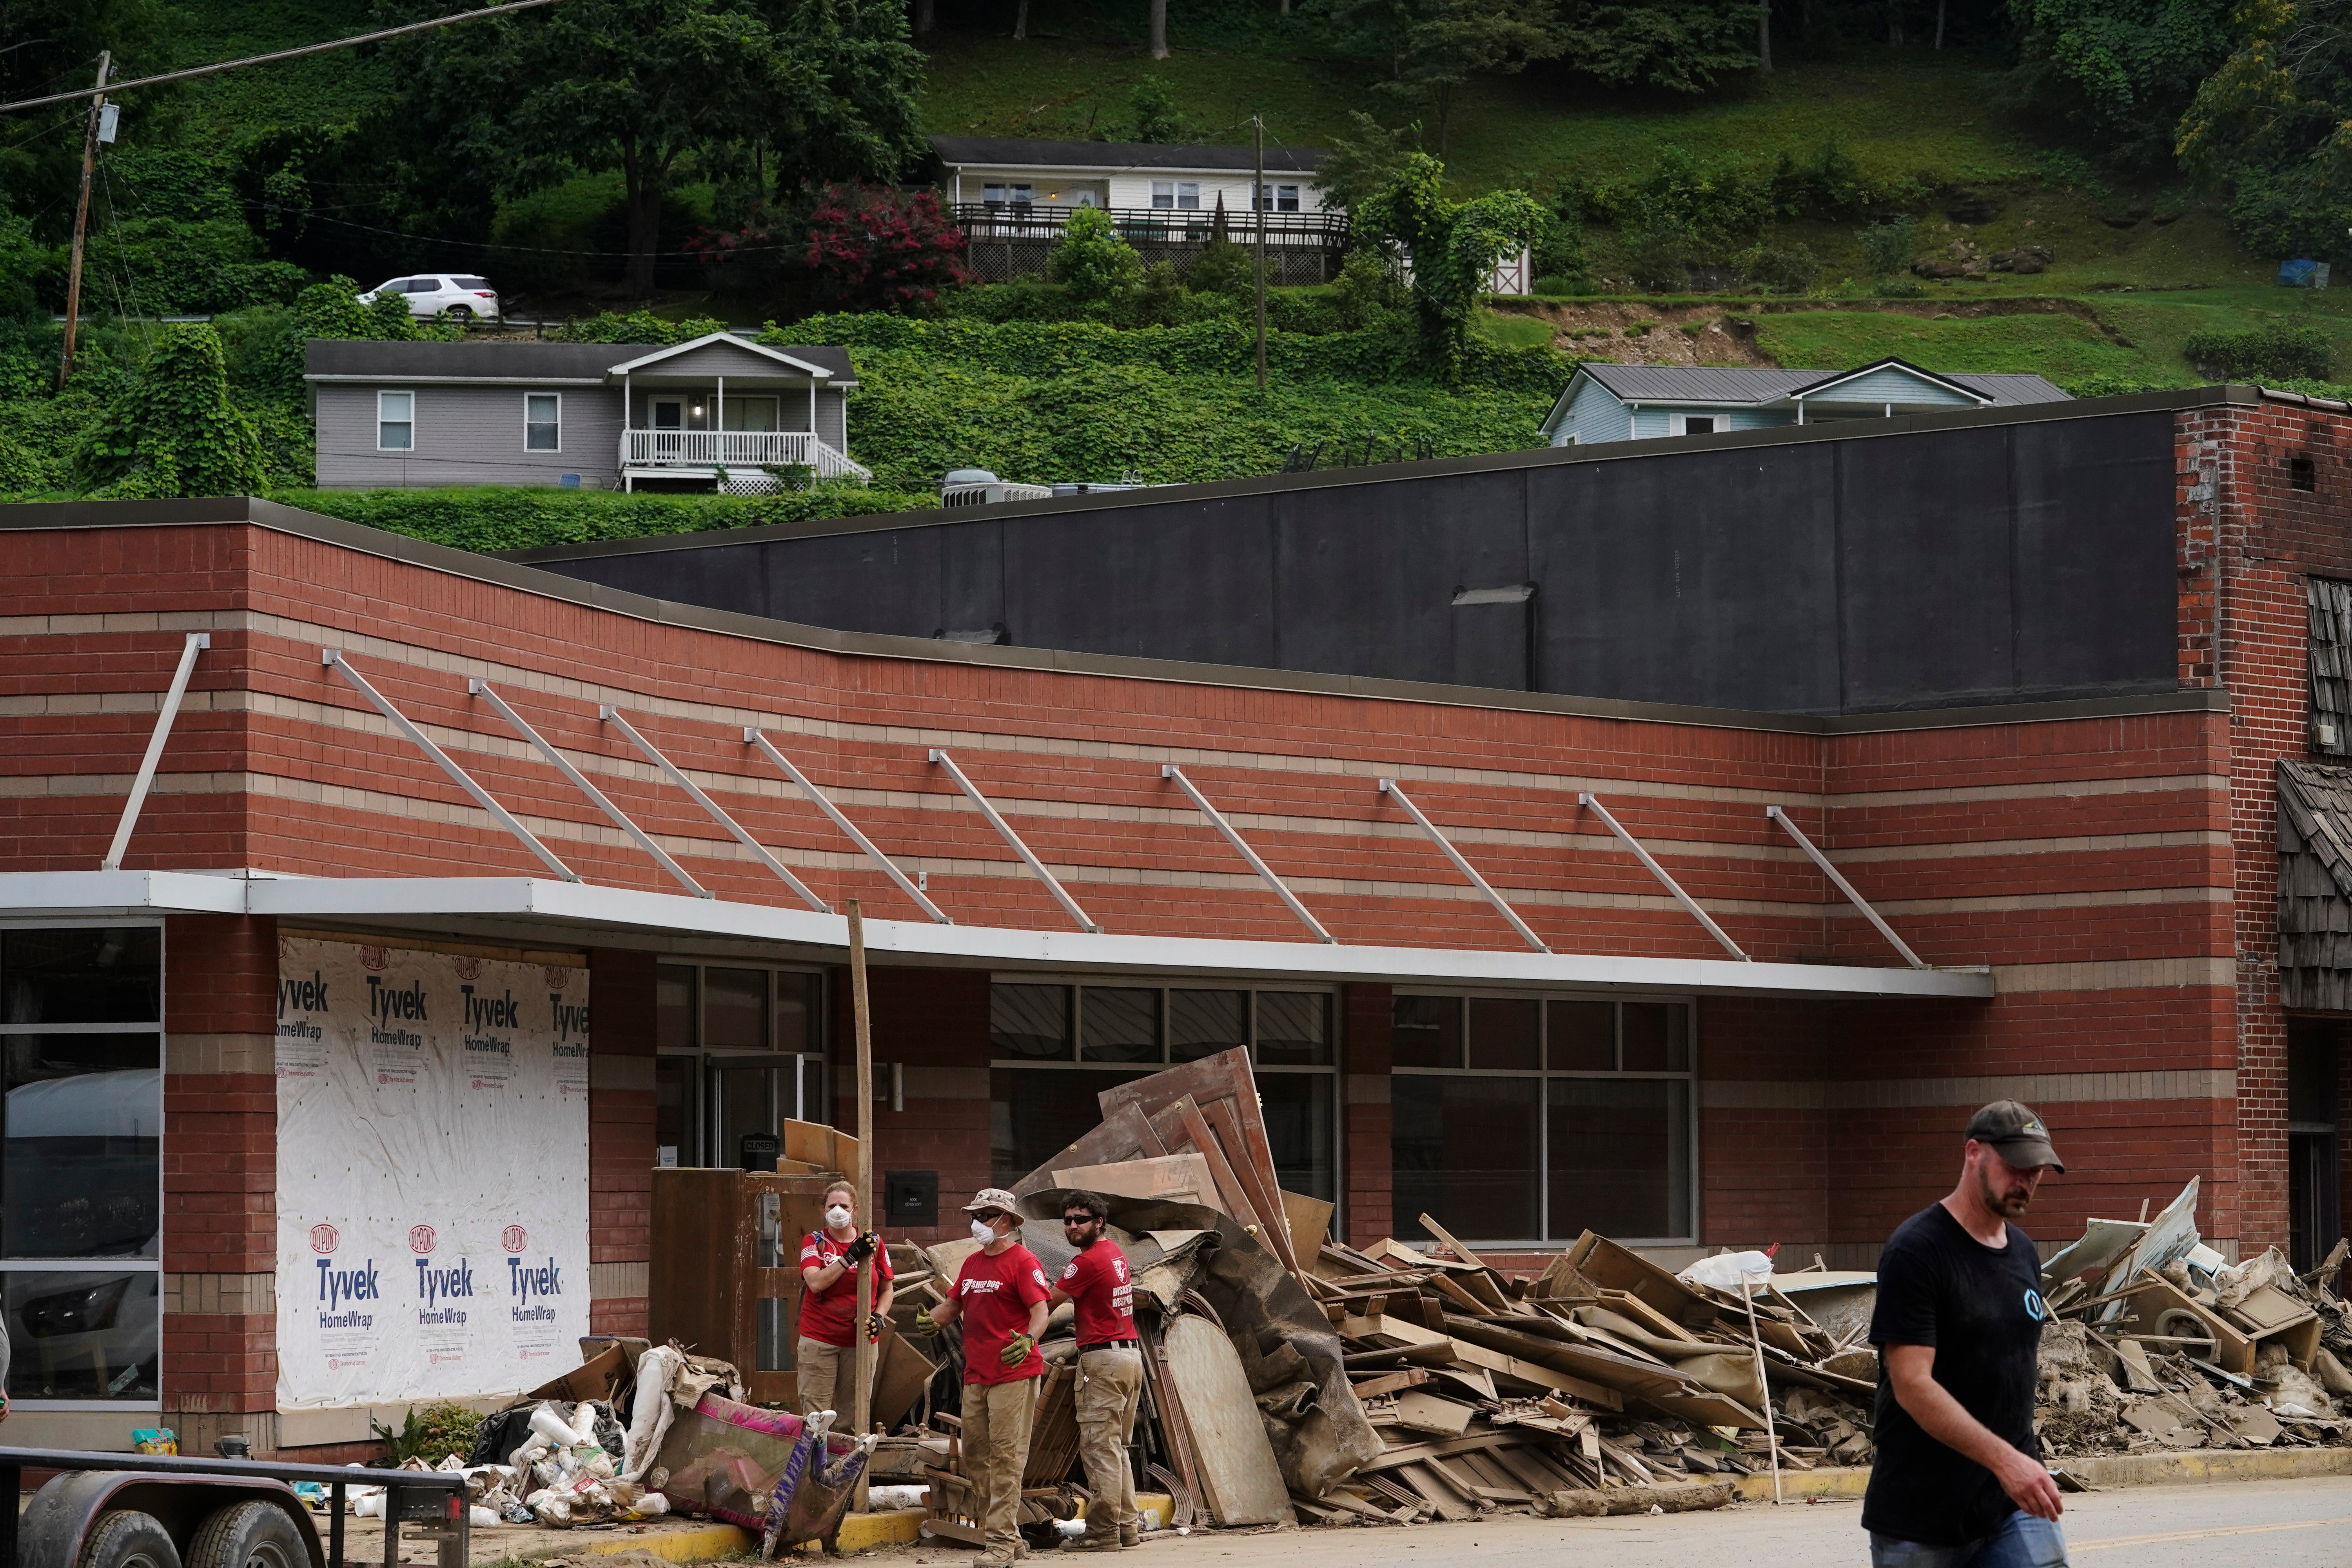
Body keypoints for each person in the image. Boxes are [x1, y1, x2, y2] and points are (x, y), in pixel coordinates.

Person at [1864, 1100, 2069, 1568]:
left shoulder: (2024, 1252)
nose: (2026, 1181)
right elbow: (1912, 1384)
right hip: (1921, 1512)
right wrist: (2004, 1461)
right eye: (2015, 1166)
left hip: (2011, 1501)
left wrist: (2015, 1463)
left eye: (2036, 1170)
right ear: (1974, 1152)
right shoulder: (1917, 1251)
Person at [922, 1188, 1051, 1568]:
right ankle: (1010, 1537)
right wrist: (931, 1320)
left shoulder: (1024, 1261)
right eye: (975, 1216)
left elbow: (1041, 1311)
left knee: (1006, 1456)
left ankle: (999, 1543)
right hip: (977, 1374)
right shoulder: (973, 1263)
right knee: (977, 1457)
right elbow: (952, 1305)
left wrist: (1029, 1339)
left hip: (1014, 1372)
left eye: (985, 1215)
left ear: (1006, 1220)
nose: (977, 1223)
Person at [1047, 1191, 1142, 1552]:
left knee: (1100, 1449)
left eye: (1081, 1219)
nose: (1073, 1226)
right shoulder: (1115, 1253)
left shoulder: (1085, 1262)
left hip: (1102, 1361)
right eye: (1068, 1220)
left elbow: (1047, 1302)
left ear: (1099, 1222)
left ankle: (1103, 1532)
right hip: (1129, 1357)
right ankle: (1126, 1527)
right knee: (1116, 1448)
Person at [796, 1180, 894, 1419]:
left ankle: (847, 1448)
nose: (837, 1211)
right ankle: (817, 1447)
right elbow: (815, 1283)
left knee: (854, 1416)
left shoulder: (874, 1244)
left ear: (855, 1210)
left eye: (844, 1206)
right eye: (832, 1206)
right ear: (824, 1210)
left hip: (860, 1341)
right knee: (816, 1417)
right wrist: (849, 1257)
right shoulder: (815, 1242)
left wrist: (879, 1317)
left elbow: (887, 1289)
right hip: (819, 1339)